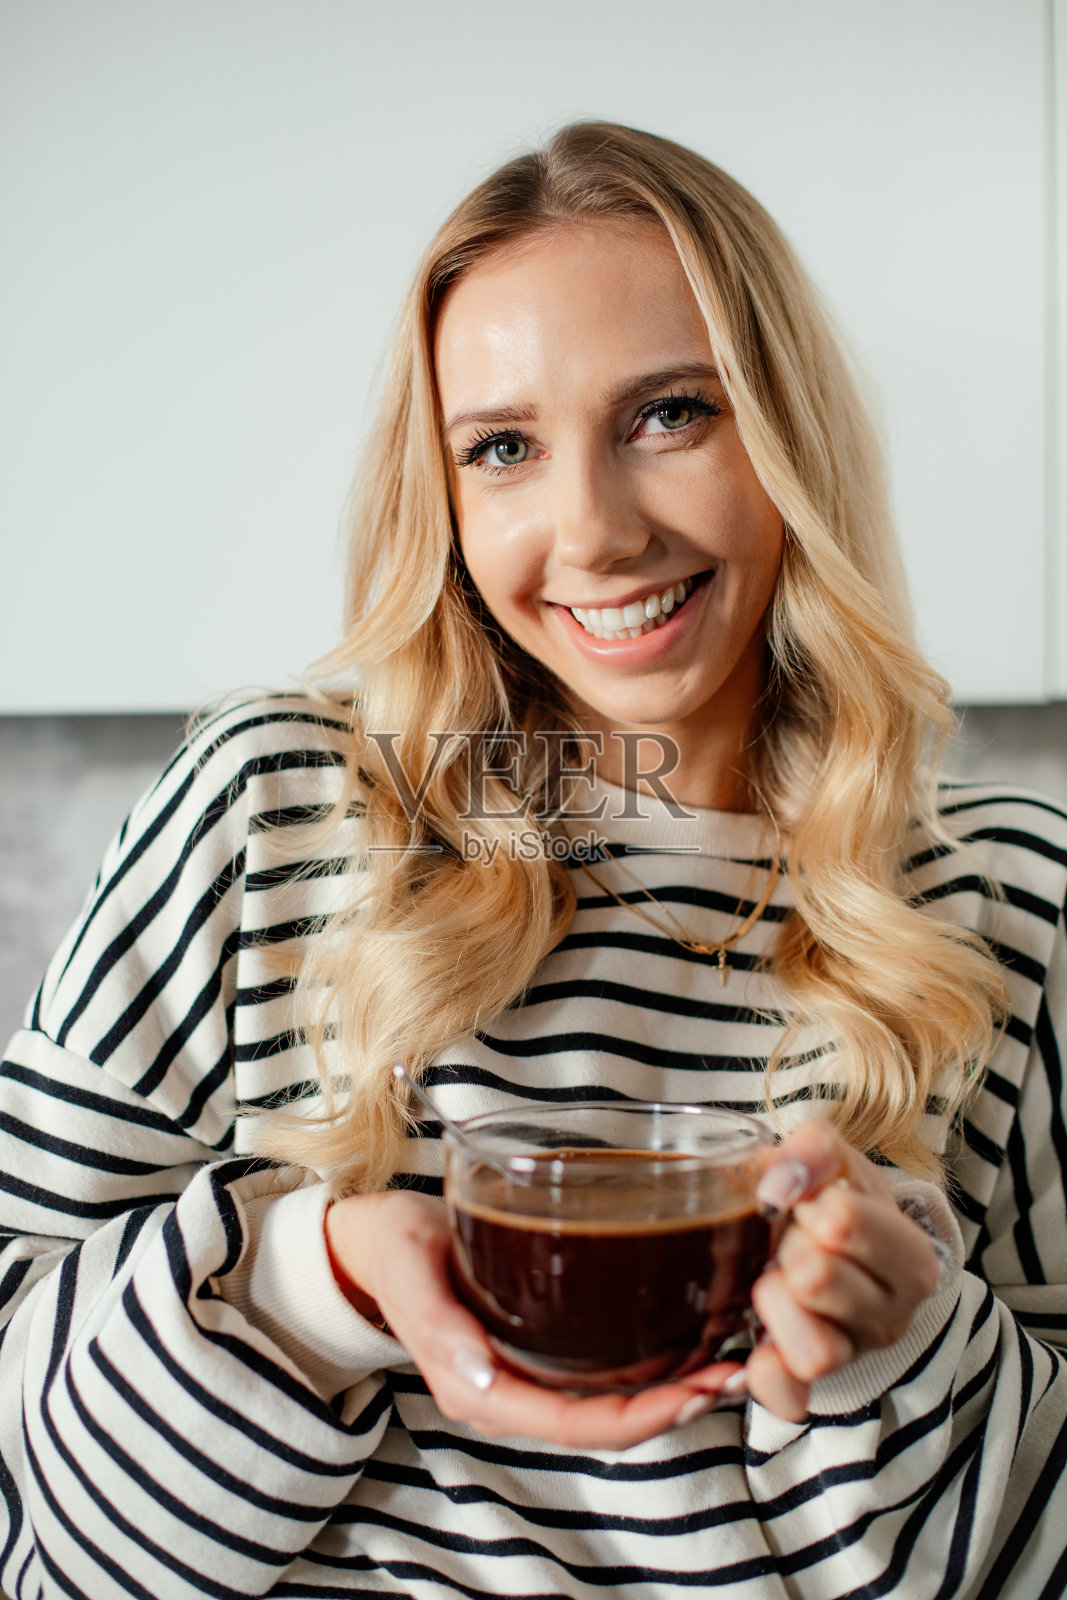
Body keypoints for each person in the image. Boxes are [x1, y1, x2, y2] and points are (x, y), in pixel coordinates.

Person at [1, 120, 1065, 1599]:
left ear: (789, 434)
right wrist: (320, 1283)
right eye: (504, 448)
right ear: (442, 497)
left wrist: (910, 1332)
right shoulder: (275, 811)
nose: (596, 531)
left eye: (671, 415)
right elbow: (25, 1461)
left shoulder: (1015, 901)